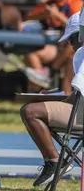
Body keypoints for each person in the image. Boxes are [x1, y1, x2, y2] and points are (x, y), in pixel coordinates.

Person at [20, 12, 83, 187]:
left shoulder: (81, 54)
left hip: (81, 116)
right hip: (80, 111)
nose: (68, 43)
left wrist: (51, 103)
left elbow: (78, 97)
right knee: (37, 108)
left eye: (71, 38)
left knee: (30, 111)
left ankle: (54, 161)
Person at [24, 0, 83, 90]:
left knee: (72, 50)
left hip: (68, 49)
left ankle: (51, 73)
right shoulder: (51, 3)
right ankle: (41, 90)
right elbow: (27, 17)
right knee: (30, 54)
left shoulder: (76, 3)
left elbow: (78, 27)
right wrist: (42, 15)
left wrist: (57, 16)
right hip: (54, 47)